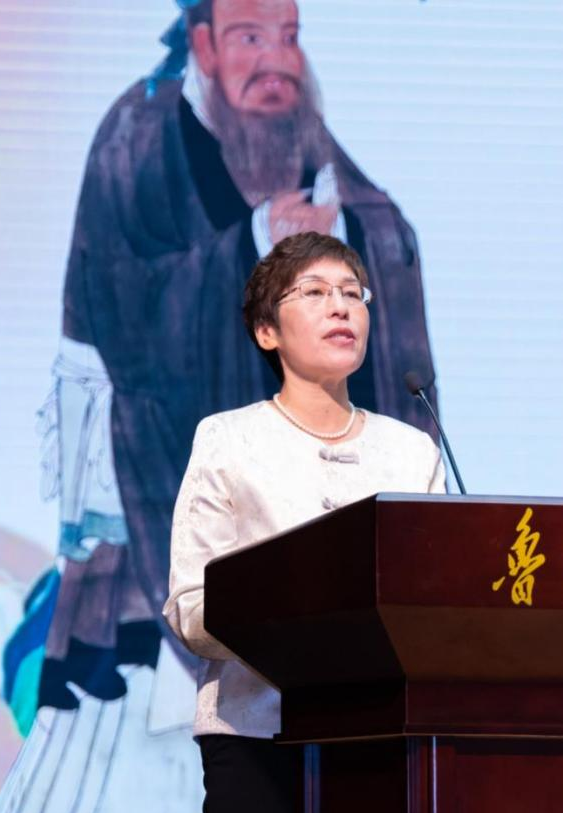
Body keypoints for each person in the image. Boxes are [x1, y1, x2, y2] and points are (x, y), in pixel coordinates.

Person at [35, 0, 437, 716]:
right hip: (160, 442)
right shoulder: (139, 130)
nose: (276, 59)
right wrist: (252, 242)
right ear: (204, 45)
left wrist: (340, 230)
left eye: (289, 36)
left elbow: (381, 223)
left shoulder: (292, 118)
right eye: (250, 37)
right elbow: (119, 301)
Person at [164, 232, 445, 813]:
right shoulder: (229, 440)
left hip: (381, 736)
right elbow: (190, 606)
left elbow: (433, 602)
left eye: (352, 293)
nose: (340, 306)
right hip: (255, 733)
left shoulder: (412, 451)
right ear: (267, 332)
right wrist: (297, 621)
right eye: (314, 293)